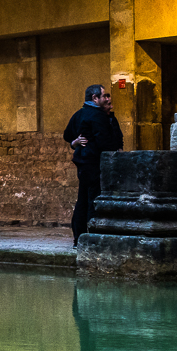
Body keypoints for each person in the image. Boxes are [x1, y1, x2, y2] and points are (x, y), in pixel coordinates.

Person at [63, 83, 123, 241]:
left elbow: (67, 134)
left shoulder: (80, 113)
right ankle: (90, 237)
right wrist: (116, 151)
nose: (107, 99)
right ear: (94, 98)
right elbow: (104, 142)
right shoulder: (97, 116)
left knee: (82, 199)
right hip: (93, 163)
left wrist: (74, 142)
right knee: (92, 200)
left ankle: (79, 237)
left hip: (83, 163)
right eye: (104, 96)